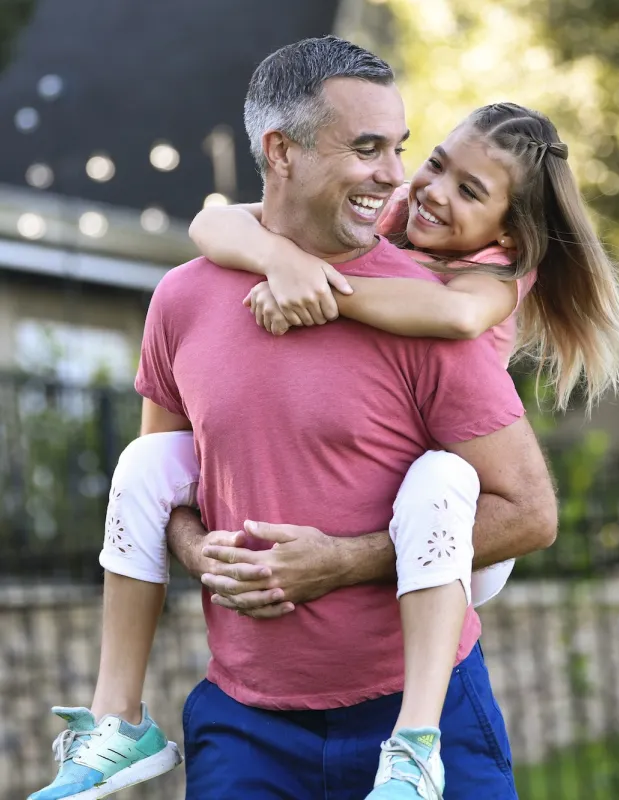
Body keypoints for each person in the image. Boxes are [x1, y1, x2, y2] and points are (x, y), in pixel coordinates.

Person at [29, 36, 558, 800]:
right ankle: (119, 721)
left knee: (442, 479)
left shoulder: (437, 313)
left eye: (400, 149)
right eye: (369, 148)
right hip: (248, 724)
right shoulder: (183, 297)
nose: (399, 178)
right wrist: (199, 549)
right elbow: (162, 483)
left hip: (424, 709)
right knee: (138, 466)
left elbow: (531, 515)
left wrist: (341, 561)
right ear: (280, 151)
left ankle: (415, 746)